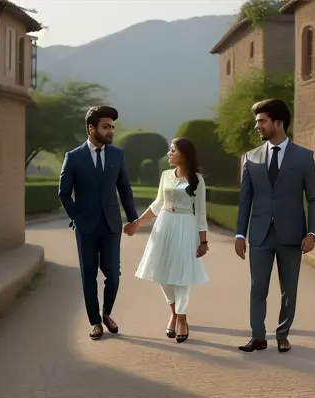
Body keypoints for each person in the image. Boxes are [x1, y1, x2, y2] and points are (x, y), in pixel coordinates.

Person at [234, 98, 315, 353]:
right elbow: (245, 199)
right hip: (259, 235)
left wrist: (313, 232)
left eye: (261, 121)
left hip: (292, 235)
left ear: (278, 123)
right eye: (257, 122)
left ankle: (282, 334)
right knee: (257, 287)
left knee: (288, 289)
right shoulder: (250, 158)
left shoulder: (304, 157)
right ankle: (258, 336)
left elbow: (314, 197)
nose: (257, 126)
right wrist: (240, 233)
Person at [58, 105, 140, 341]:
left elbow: (125, 189)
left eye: (112, 127)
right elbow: (64, 193)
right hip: (86, 227)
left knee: (113, 275)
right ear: (91, 128)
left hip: (112, 225)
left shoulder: (117, 155)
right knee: (89, 276)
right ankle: (95, 322)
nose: (110, 131)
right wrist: (77, 217)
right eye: (105, 127)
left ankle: (107, 313)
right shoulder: (73, 157)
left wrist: (133, 218)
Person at [128, 137, 210, 343]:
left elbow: (200, 213)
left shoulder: (197, 180)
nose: (169, 154)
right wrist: (138, 222)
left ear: (184, 154)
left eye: (173, 150)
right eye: (169, 150)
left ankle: (182, 318)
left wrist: (204, 241)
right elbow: (157, 204)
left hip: (186, 226)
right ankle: (173, 311)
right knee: (162, 273)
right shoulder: (165, 175)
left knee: (181, 275)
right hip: (164, 225)